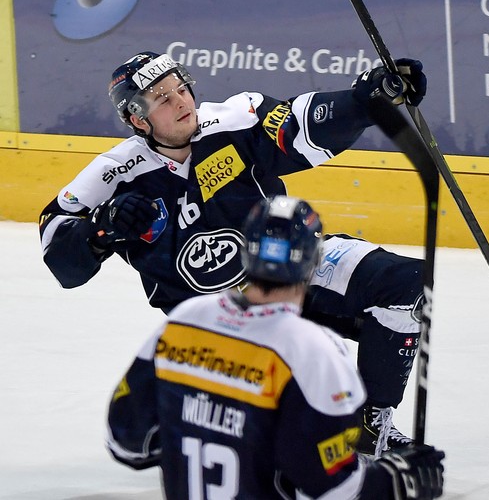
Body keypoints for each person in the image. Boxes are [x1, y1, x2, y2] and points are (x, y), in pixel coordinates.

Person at [39, 51, 427, 456]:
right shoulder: (114, 174)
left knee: (404, 285)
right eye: (163, 99)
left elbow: (301, 126)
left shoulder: (237, 117)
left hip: (291, 274)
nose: (182, 102)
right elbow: (60, 255)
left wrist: (367, 100)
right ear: (138, 119)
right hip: (218, 321)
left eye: (181, 88)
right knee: (225, 442)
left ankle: (369, 422)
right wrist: (99, 229)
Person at [106, 195, 445, 499]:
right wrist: (397, 480)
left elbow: (124, 442)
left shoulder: (185, 321)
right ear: (314, 263)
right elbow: (337, 488)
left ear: (244, 255)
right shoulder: (314, 349)